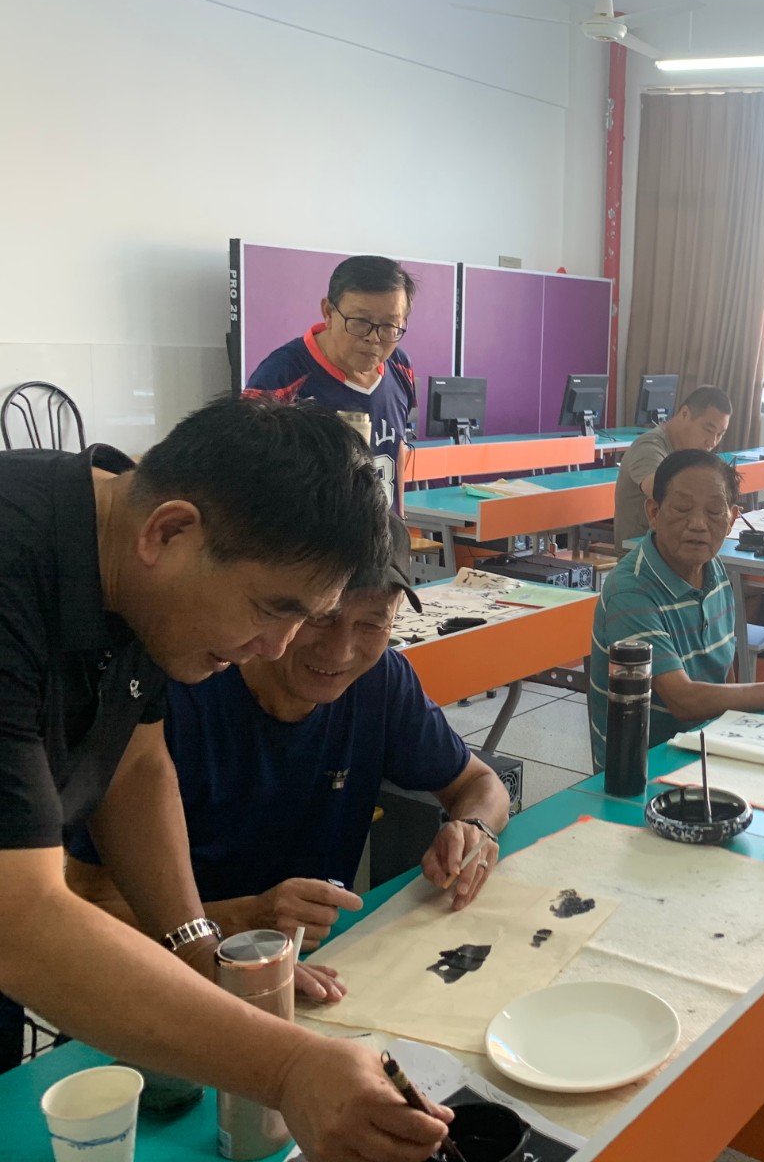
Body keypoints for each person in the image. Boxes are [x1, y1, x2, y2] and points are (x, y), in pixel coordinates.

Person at [0, 396, 453, 1157]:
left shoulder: (128, 560)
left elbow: (135, 764)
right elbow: (19, 919)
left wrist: (198, 947)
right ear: (169, 531)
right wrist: (288, 1068)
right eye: (273, 610)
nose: (276, 648)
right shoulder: (16, 565)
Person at [64, 516, 511, 1003]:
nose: (340, 651)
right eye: (321, 617)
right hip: (159, 984)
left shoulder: (381, 682)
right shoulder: (178, 693)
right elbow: (85, 903)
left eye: (371, 623)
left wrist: (475, 828)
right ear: (279, 603)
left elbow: (481, 784)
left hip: (312, 972)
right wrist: (242, 919)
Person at [590, 449, 764, 770]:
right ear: (654, 511)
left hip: (706, 749)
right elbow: (683, 700)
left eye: (713, 511)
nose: (698, 524)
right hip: (645, 767)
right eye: (682, 508)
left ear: (732, 518)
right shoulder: (631, 589)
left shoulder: (714, 569)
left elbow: (725, 673)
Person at [245, 254, 418, 509]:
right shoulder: (280, 377)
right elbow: (245, 475)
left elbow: (396, 447)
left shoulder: (400, 366)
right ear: (328, 312)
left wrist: (400, 520)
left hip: (379, 531)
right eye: (360, 322)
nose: (374, 338)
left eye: (389, 326)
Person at [612, 385, 732, 545]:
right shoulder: (648, 447)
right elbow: (663, 492)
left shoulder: (692, 453)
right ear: (685, 414)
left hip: (680, 545)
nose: (712, 442)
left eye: (720, 434)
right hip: (642, 551)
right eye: (708, 430)